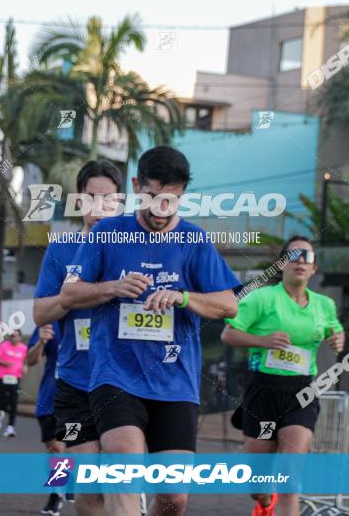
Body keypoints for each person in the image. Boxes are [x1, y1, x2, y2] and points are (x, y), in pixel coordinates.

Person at [60, 146, 241, 515]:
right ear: (136, 185)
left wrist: (182, 297)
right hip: (116, 376)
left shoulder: (194, 241)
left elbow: (229, 305)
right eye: (153, 197)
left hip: (175, 383)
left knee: (173, 498)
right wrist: (112, 287)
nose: (161, 209)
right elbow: (69, 292)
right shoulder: (108, 233)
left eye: (171, 200)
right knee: (124, 464)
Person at [221, 236, 345, 516]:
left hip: (301, 392)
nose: (301, 261)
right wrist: (263, 340)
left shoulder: (324, 304)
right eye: (294, 255)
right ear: (281, 264)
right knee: (258, 486)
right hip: (264, 390)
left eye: (308, 257)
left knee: (290, 476)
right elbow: (227, 334)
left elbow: (335, 329)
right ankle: (265, 503)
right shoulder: (262, 298)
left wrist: (338, 339)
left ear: (314, 269)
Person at [34, 159, 123, 516]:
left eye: (108, 199)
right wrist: (87, 294)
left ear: (121, 202)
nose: (98, 207)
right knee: (88, 483)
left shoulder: (137, 248)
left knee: (118, 481)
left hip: (126, 380)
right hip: (75, 379)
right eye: (90, 198)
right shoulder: (61, 248)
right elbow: (41, 313)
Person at [27, 323, 64, 515]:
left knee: (68, 446)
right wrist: (40, 342)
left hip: (81, 399)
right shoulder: (50, 321)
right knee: (55, 448)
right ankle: (57, 491)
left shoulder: (94, 314)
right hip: (51, 397)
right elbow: (31, 360)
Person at [0, 328, 27, 438]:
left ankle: (10, 427)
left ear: (20, 337)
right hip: (3, 377)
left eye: (15, 336)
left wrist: (25, 368)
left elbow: (26, 362)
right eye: (11, 335)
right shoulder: (4, 346)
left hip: (16, 378)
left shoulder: (24, 348)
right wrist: (5, 363)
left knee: (13, 403)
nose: (13, 338)